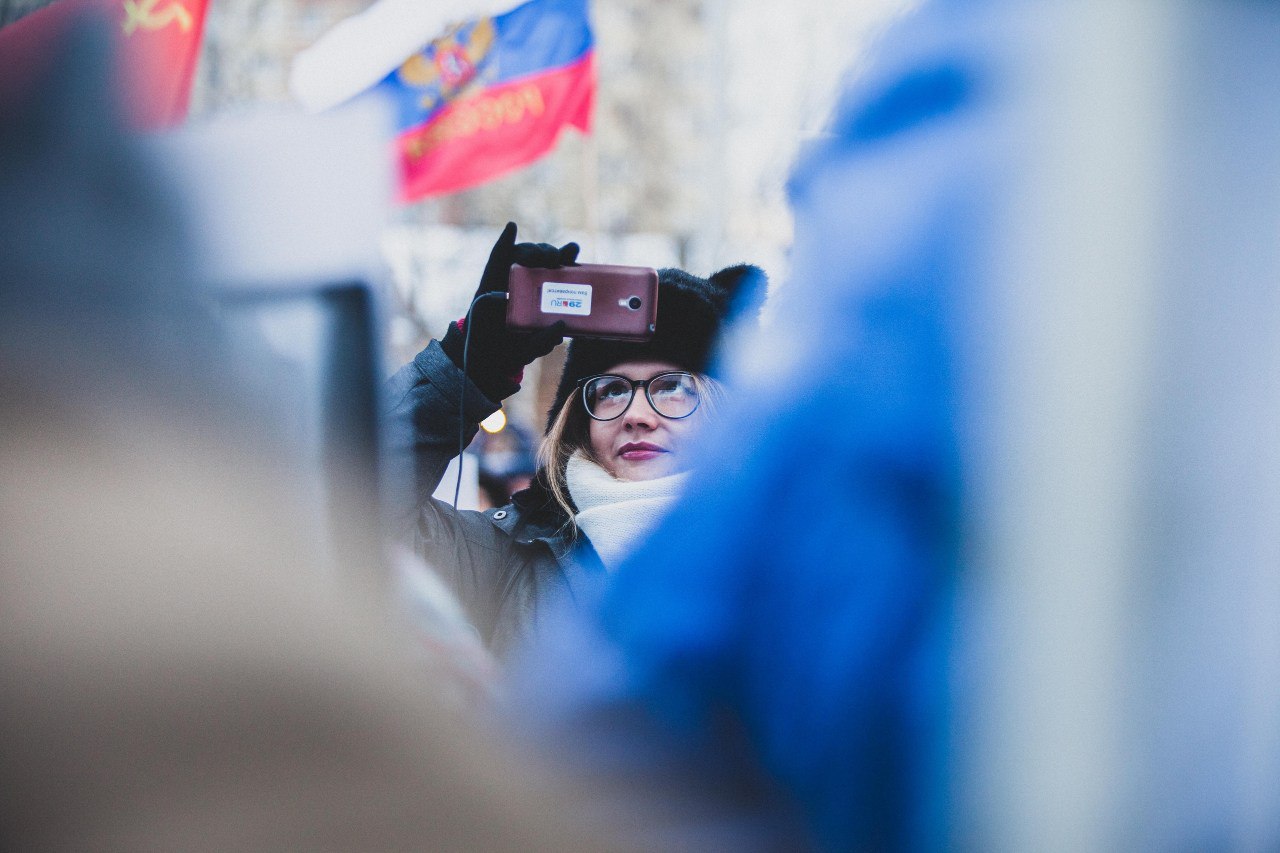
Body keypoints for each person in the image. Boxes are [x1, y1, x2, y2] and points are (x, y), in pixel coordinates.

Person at [384, 224, 763, 656]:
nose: (637, 416)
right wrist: (465, 369)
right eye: (612, 390)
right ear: (580, 422)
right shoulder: (504, 559)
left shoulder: (789, 552)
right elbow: (347, 509)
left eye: (672, 388)